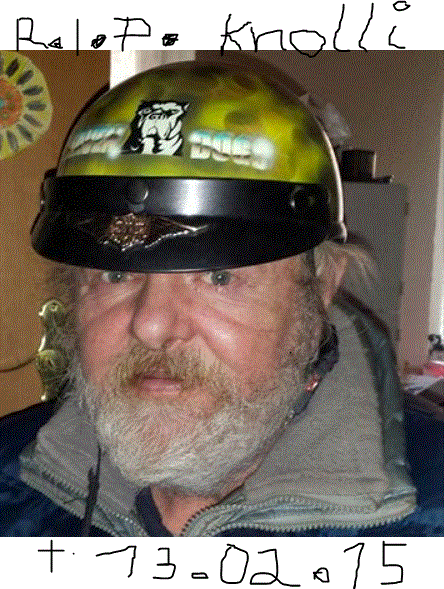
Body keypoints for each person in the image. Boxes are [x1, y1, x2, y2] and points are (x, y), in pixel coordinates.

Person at [0, 61, 442, 537]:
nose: (151, 325)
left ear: (320, 287)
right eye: (115, 273)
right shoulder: (12, 484)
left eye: (219, 277)